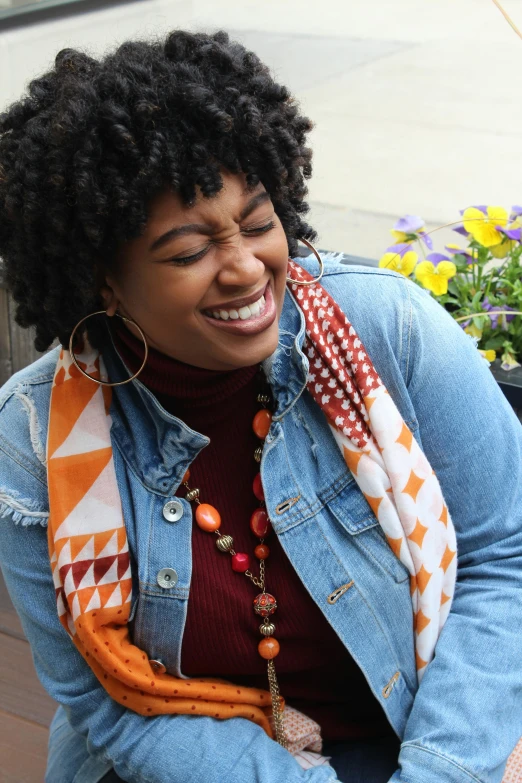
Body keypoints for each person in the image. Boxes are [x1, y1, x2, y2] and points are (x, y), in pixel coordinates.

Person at [0, 29, 520, 783]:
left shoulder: (388, 330)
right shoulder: (31, 438)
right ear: (101, 280)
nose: (246, 269)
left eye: (258, 221)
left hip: (431, 735)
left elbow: (504, 556)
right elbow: (104, 701)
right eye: (188, 251)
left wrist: (440, 773)